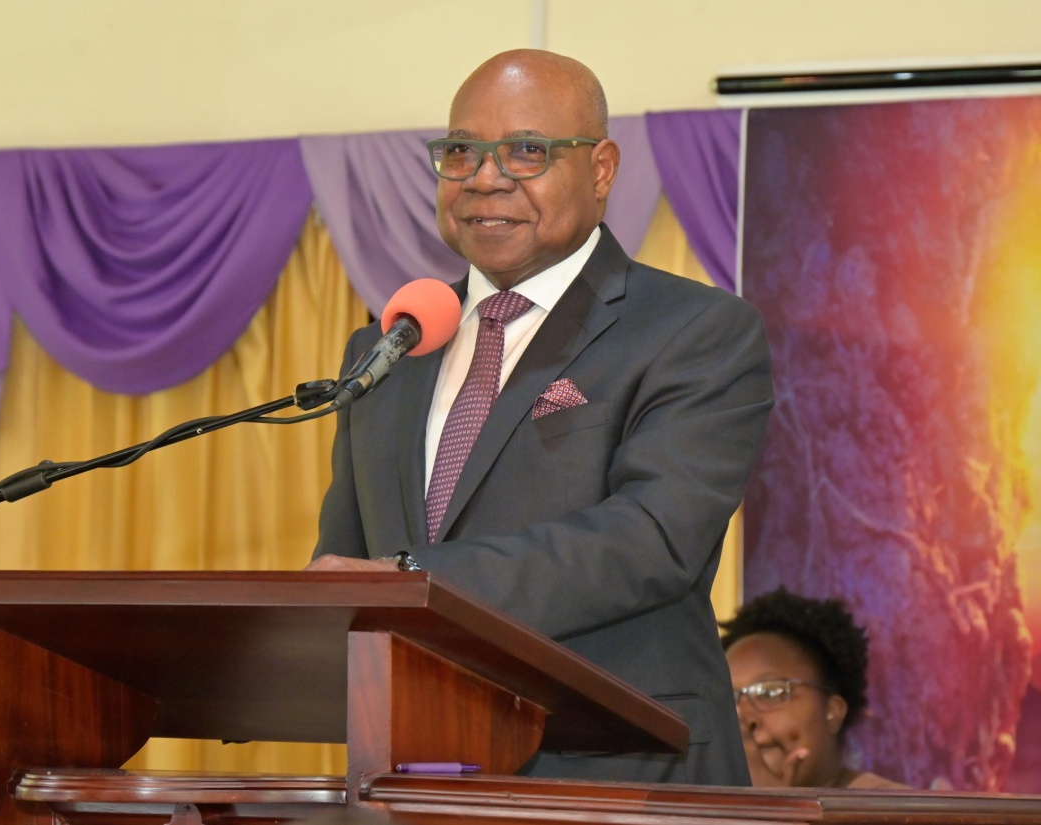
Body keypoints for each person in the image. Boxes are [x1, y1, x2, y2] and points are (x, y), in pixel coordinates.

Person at [308, 48, 774, 786]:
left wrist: (410, 578)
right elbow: (346, 558)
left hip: (619, 766)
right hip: (411, 769)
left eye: (527, 151)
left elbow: (650, 540)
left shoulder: (694, 330)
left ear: (601, 169)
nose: (485, 177)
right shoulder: (390, 344)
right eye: (461, 151)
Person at [721, 587, 910, 789]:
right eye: (728, 699)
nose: (743, 717)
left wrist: (771, 811)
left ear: (833, 711)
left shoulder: (892, 811)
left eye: (769, 693)